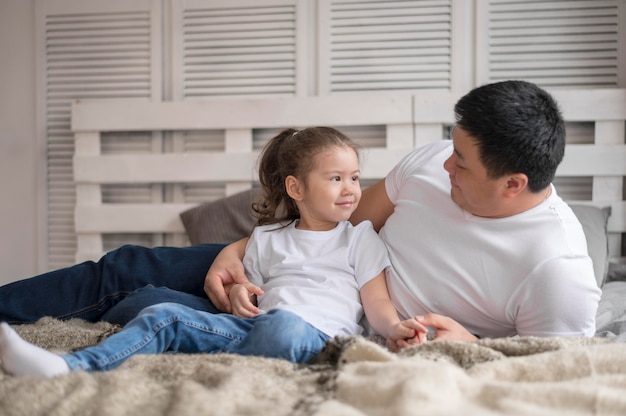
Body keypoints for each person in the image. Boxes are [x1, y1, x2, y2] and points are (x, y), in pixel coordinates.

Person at [0, 80, 601, 342]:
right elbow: (345, 219)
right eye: (452, 146)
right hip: (305, 264)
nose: (447, 164)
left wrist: (466, 338)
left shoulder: (557, 272)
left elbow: (547, 366)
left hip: (344, 319)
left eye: (463, 162)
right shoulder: (432, 163)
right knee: (129, 265)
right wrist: (236, 254)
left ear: (514, 183)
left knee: (151, 311)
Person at [0, 127, 426, 377]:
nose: (352, 188)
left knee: (282, 330)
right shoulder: (267, 239)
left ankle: (221, 359)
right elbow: (249, 291)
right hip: (253, 329)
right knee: (159, 314)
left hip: (311, 335)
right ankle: (70, 368)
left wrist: (394, 330)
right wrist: (242, 294)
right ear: (296, 188)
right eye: (336, 178)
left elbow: (376, 303)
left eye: (355, 176)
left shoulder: (359, 238)